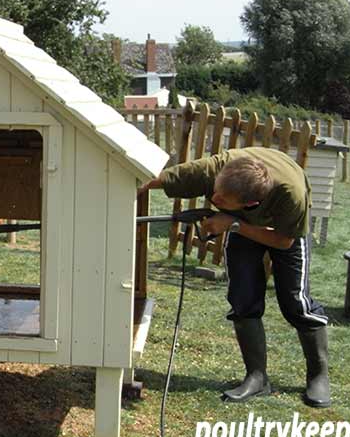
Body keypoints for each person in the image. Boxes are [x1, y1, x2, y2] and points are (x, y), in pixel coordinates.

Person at [140, 147, 330, 408]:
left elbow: (283, 241)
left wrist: (233, 224)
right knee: (243, 298)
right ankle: (257, 378)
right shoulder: (216, 170)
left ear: (248, 204)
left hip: (285, 231)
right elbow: (166, 178)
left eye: (222, 200)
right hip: (240, 221)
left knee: (296, 303)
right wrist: (135, 185)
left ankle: (318, 375)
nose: (214, 198)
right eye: (214, 191)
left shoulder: (291, 196)